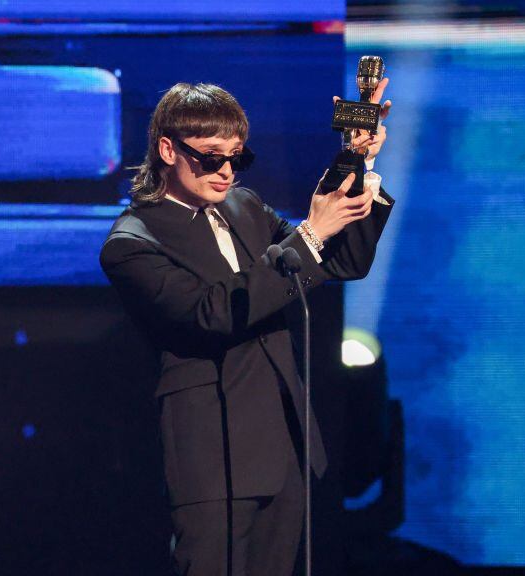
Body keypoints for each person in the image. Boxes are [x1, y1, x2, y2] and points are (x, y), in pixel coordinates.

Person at [99, 81, 393, 576]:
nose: (226, 172)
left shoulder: (244, 207)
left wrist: (354, 161)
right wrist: (310, 234)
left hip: (282, 446)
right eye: (212, 157)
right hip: (213, 456)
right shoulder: (132, 242)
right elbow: (210, 314)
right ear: (168, 150)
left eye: (237, 158)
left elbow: (335, 260)